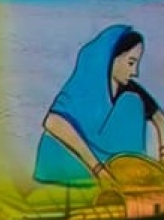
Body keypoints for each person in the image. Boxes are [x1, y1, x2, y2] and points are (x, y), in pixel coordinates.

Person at [35, 25, 164, 186]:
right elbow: (52, 122)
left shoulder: (129, 89)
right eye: (130, 63)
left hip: (112, 162)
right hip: (76, 160)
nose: (135, 72)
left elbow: (160, 119)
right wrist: (98, 169)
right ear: (110, 58)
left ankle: (129, 169)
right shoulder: (85, 86)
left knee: (132, 101)